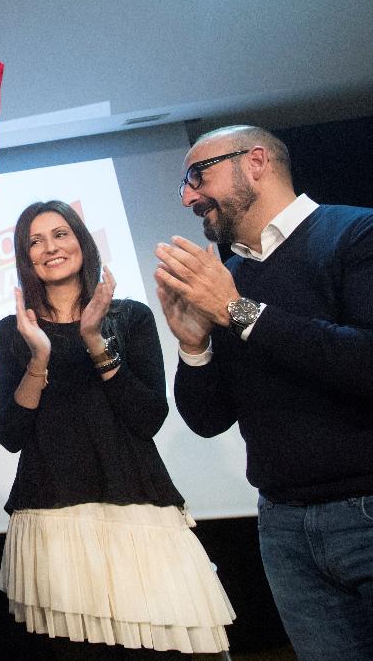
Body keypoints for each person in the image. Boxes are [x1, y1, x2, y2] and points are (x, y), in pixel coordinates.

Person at [155, 125, 373, 660]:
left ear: (256, 162)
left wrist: (237, 312)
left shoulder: (357, 233)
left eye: (196, 176)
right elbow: (208, 419)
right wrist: (194, 348)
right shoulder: (226, 276)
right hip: (283, 528)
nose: (187, 196)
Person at [0, 201, 234, 659]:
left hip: (137, 507)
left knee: (165, 646)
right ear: (26, 258)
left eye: (60, 234)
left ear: (82, 241)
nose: (49, 248)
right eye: (35, 242)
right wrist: (39, 358)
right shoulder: (12, 331)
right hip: (51, 513)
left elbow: (147, 418)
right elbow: (10, 434)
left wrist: (93, 340)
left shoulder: (129, 317)